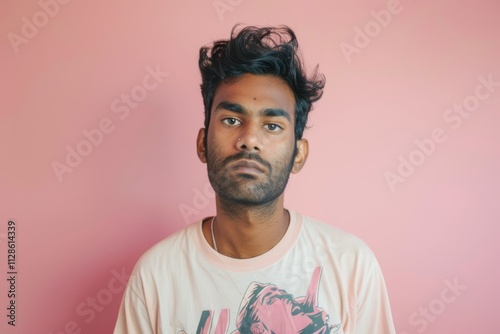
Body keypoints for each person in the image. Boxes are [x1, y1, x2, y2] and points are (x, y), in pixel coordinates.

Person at [113, 25, 396, 334]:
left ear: (298, 154)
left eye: (272, 125)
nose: (249, 139)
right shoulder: (157, 276)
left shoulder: (351, 265)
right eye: (232, 120)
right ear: (202, 144)